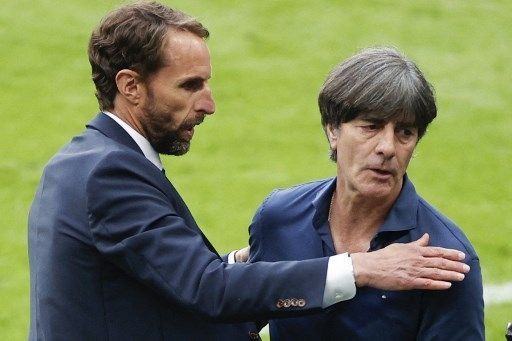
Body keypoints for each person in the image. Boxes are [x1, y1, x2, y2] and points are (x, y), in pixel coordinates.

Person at [28, 2, 471, 340]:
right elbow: (207, 291)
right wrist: (358, 268)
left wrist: (245, 262)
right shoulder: (110, 174)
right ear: (131, 86)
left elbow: (168, 287)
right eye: (190, 85)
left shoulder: (81, 162)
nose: (209, 104)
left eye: (406, 133)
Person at [249, 47, 484, 340]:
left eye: (405, 132)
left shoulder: (445, 259)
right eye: (371, 126)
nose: (388, 147)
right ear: (333, 130)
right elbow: (237, 316)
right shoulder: (278, 218)